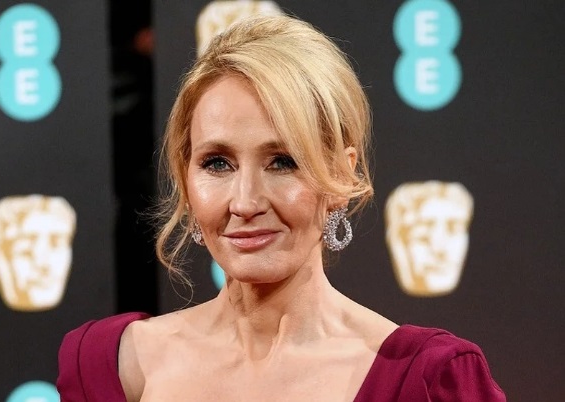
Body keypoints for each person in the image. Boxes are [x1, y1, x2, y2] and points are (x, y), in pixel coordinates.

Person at [57, 15, 506, 401]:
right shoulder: (114, 367)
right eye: (217, 163)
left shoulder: (428, 379)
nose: (245, 202)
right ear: (186, 180)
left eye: (283, 162)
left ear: (341, 175)